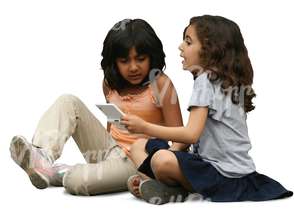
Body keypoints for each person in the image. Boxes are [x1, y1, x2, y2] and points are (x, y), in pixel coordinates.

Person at [122, 15, 293, 204]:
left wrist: (144, 127)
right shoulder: (225, 81)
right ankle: (165, 187)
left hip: (222, 176)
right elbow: (191, 138)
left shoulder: (205, 81)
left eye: (188, 42)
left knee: (160, 160)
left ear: (211, 50)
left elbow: (191, 134)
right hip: (222, 169)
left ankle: (164, 186)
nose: (180, 47)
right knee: (141, 146)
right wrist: (174, 150)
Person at [9, 18, 184, 196]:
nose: (133, 67)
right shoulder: (110, 83)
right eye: (124, 61)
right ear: (114, 62)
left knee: (75, 182)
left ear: (151, 56)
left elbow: (181, 138)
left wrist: (159, 168)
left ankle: (59, 173)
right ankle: (42, 156)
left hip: (138, 160)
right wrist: (104, 153)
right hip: (110, 150)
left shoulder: (161, 84)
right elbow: (112, 123)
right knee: (68, 101)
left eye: (140, 59)